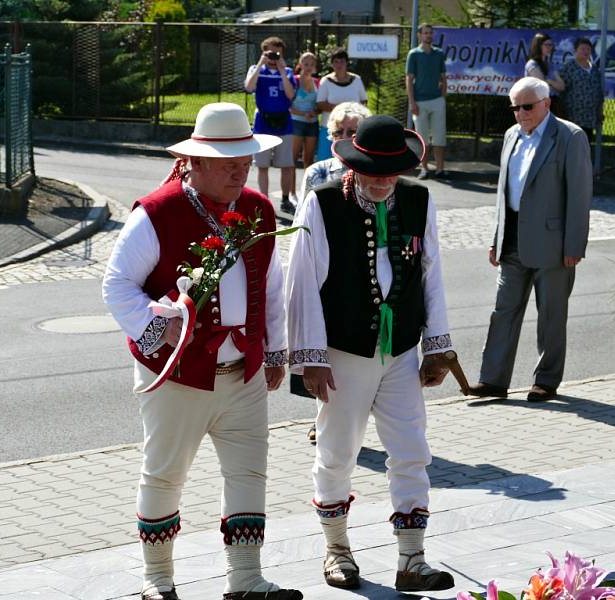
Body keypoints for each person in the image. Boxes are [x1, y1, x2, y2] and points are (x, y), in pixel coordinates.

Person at [102, 102, 302, 600]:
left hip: (244, 371)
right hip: (178, 373)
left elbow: (271, 286)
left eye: (247, 159)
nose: (242, 169)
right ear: (197, 162)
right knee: (165, 472)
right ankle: (158, 580)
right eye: (230, 160)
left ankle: (246, 580)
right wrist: (160, 329)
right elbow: (116, 285)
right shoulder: (158, 212)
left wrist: (274, 351)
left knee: (249, 471)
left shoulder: (256, 208)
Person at [287, 114, 456, 592]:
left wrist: (437, 346)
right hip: (343, 352)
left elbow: (432, 273)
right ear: (354, 165)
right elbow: (301, 282)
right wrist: (310, 358)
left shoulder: (419, 200)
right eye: (373, 170)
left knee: (410, 449)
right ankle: (337, 551)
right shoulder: (322, 205)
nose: (382, 180)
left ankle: (412, 559)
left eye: (391, 171)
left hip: (400, 348)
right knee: (337, 452)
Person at [469, 77, 592, 403]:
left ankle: (546, 381)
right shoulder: (511, 135)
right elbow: (503, 192)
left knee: (551, 315)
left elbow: (579, 195)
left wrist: (574, 246)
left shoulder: (570, 136)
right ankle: (493, 380)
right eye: (515, 108)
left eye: (527, 106)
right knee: (503, 311)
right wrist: (497, 237)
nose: (520, 113)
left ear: (546, 103)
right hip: (512, 240)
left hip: (553, 244)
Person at [293, 100, 372, 444]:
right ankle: (322, 417)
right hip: (324, 269)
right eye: (338, 132)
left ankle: (355, 415)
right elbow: (302, 223)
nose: (344, 137)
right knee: (320, 344)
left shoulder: (374, 171)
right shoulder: (318, 171)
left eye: (352, 132)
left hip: (360, 270)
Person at [244, 36, 297, 215]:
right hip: (263, 122)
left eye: (277, 53)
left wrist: (282, 70)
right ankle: (264, 200)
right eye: (271, 52)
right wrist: (261, 63)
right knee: (262, 165)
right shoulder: (256, 70)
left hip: (283, 122)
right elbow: (249, 87)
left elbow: (290, 95)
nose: (274, 57)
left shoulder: (288, 71)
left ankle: (284, 199)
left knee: (286, 165)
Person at [406, 23, 449, 180]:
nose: (428, 36)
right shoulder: (414, 54)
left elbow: (444, 77)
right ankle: (424, 169)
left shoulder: (439, 53)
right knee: (422, 138)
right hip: (419, 101)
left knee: (439, 137)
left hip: (437, 100)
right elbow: (409, 80)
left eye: (430, 33)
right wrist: (412, 102)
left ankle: (440, 169)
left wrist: (442, 97)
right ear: (419, 35)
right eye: (425, 33)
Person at [315, 47, 368, 162]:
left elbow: (363, 101)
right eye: (336, 62)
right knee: (325, 161)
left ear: (347, 63)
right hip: (330, 128)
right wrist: (343, 109)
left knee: (352, 161)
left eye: (342, 61)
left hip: (353, 130)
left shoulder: (356, 79)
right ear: (332, 64)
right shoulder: (325, 81)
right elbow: (320, 104)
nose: (339, 65)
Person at [559, 37, 604, 143]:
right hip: (573, 117)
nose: (586, 51)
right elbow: (561, 89)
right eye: (582, 49)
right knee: (573, 147)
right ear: (575, 51)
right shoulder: (569, 67)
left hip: (590, 118)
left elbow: (599, 92)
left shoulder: (594, 69)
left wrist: (600, 112)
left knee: (586, 147)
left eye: (588, 49)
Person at [289, 51, 320, 203]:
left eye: (312, 64)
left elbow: (319, 104)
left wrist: (314, 112)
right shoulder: (294, 80)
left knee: (308, 160)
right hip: (296, 122)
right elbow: (288, 105)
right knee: (292, 160)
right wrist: (303, 113)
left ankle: (306, 191)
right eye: (306, 64)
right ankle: (292, 193)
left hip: (312, 124)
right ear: (300, 65)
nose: (308, 67)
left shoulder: (317, 82)